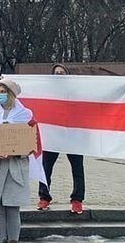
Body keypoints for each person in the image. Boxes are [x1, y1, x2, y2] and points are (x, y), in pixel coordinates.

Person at [0, 78, 42, 243]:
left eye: (3, 92)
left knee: (13, 208)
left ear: (12, 94)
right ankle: (1, 239)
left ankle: (14, 240)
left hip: (16, 167)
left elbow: (34, 141)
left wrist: (16, 153)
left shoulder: (26, 115)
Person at [38, 63, 85, 214]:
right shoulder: (47, 92)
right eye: (56, 73)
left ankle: (77, 200)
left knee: (77, 168)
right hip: (53, 134)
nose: (59, 75)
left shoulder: (76, 92)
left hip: (73, 135)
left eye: (62, 72)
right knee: (46, 167)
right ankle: (44, 197)